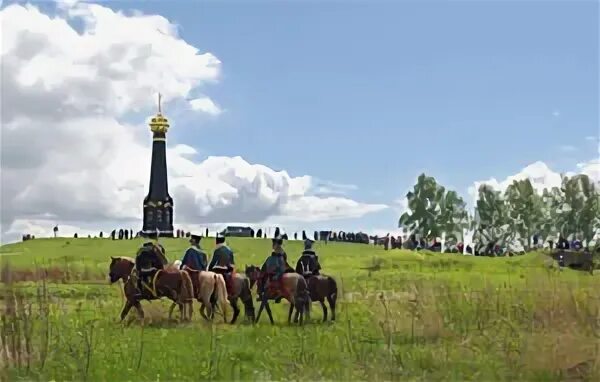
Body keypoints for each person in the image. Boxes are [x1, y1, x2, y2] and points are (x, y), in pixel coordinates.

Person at [134, 232, 168, 299]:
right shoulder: (160, 247)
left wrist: (138, 269)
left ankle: (141, 293)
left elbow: (138, 262)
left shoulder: (142, 249)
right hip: (160, 269)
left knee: (138, 275)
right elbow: (164, 261)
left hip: (148, 270)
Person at [259, 237, 287, 303]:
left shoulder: (280, 254)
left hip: (278, 271)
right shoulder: (280, 253)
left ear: (276, 244)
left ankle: (262, 291)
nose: (272, 245)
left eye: (273, 243)